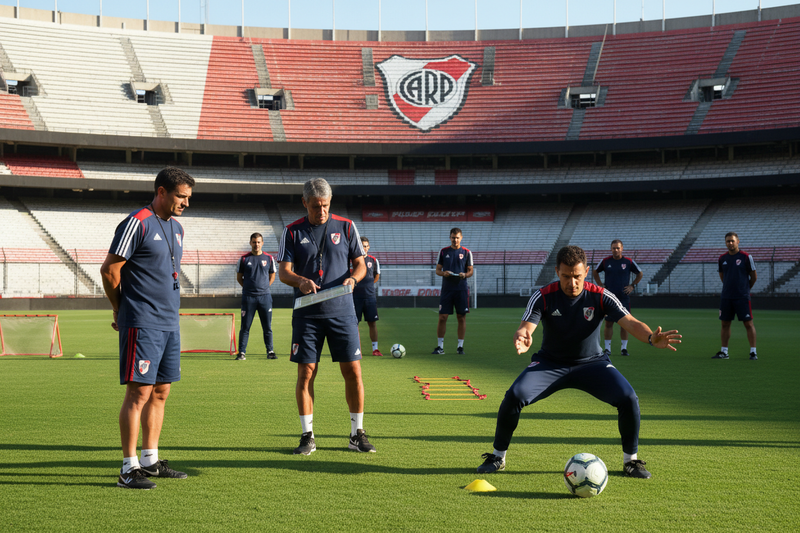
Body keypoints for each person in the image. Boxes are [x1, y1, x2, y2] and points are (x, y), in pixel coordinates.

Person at [476, 245, 681, 479]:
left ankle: (631, 462)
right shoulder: (543, 296)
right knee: (515, 395)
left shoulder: (601, 295)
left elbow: (630, 322)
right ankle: (498, 457)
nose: (571, 283)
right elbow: (526, 326)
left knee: (628, 398)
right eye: (566, 276)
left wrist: (650, 338)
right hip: (550, 364)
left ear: (586, 272)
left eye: (577, 276)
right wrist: (523, 335)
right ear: (557, 271)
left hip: (592, 364)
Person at [100, 167, 195, 490]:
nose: (185, 203)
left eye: (188, 197)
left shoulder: (178, 228)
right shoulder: (136, 222)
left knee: (161, 391)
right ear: (161, 192)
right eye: (181, 196)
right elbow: (110, 270)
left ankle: (151, 460)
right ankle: (129, 468)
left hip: (169, 322)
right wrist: (120, 306)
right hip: (142, 321)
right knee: (138, 392)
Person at [277, 178, 376, 455]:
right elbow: (284, 271)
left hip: (342, 311)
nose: (321, 211)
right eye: (316, 206)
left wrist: (353, 280)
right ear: (304, 202)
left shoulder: (346, 226)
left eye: (326, 205)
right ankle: (307, 435)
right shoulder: (291, 231)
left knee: (353, 371)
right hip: (307, 314)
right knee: (306, 372)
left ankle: (357, 433)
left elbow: (360, 265)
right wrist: (300, 281)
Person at [593, 240, 643, 356]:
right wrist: (600, 284)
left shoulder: (628, 261)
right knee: (609, 322)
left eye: (618, 248)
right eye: (614, 248)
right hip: (609, 297)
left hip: (623, 297)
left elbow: (640, 273)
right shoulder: (605, 261)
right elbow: (595, 272)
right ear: (611, 249)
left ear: (622, 249)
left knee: (624, 323)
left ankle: (624, 349)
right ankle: (607, 349)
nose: (616, 250)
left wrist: (632, 285)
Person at [713, 232, 758, 360]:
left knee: (748, 324)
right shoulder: (722, 258)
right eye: (728, 241)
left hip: (742, 297)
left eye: (732, 241)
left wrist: (745, 289)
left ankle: (753, 352)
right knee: (725, 324)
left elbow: (753, 276)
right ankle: (724, 352)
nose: (730, 243)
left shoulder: (746, 257)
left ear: (738, 241)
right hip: (727, 297)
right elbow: (723, 276)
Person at [235, 232, 277, 360]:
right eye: (254, 242)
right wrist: (249, 289)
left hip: (265, 297)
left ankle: (270, 351)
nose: (256, 244)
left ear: (262, 243)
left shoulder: (269, 258)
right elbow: (239, 278)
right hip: (248, 298)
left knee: (267, 327)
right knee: (245, 327)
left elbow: (272, 275)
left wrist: (264, 288)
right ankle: (242, 352)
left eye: (258, 242)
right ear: (250, 243)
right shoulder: (243, 259)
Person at [432, 228, 473, 355]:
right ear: (450, 238)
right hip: (447, 290)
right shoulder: (444, 252)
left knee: (461, 317)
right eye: (453, 237)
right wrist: (444, 273)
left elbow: (470, 270)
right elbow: (437, 270)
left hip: (461, 289)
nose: (455, 240)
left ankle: (460, 347)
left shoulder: (467, 252)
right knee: (443, 317)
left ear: (461, 238)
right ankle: (440, 347)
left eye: (457, 237)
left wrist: (465, 275)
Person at [352, 236, 383, 356]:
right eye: (361, 246)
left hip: (370, 297)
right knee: (354, 324)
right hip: (355, 297)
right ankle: (356, 349)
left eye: (365, 246)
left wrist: (367, 286)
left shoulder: (373, 260)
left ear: (368, 247)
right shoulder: (352, 260)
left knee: (372, 323)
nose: (364, 248)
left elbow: (376, 276)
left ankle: (375, 349)